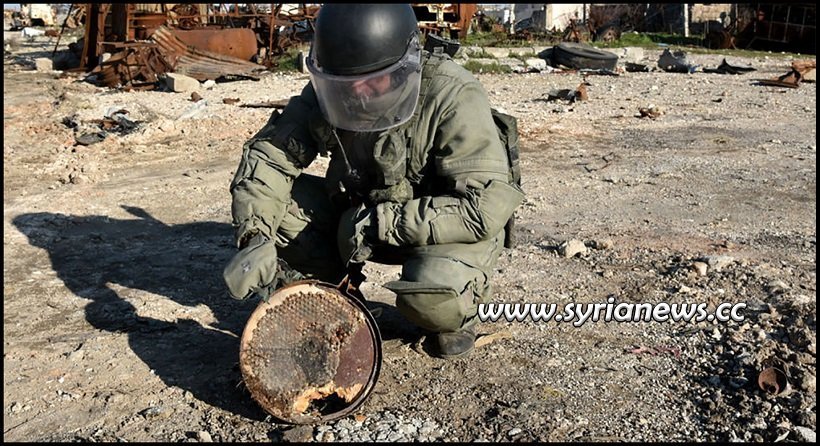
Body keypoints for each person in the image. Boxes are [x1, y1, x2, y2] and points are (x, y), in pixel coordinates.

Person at [222, 4, 524, 359]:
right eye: (346, 84)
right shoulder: (335, 85)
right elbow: (268, 159)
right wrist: (255, 235)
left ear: (407, 63)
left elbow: (482, 208)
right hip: (358, 222)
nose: (359, 93)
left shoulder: (452, 94)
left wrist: (384, 223)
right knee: (279, 208)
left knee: (435, 299)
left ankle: (457, 316)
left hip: (440, 231)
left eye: (372, 79)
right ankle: (336, 295)